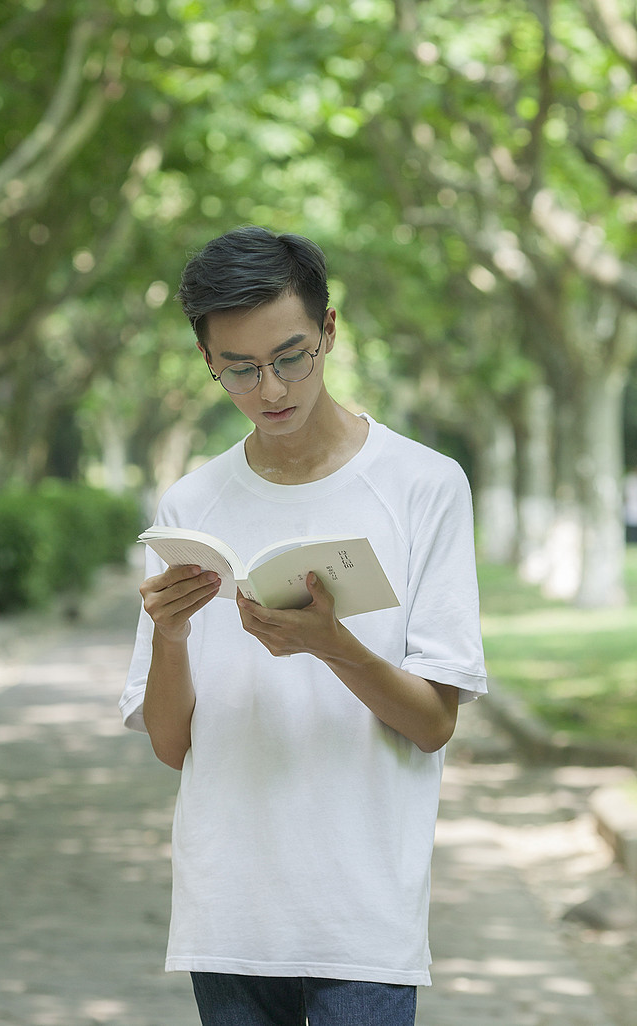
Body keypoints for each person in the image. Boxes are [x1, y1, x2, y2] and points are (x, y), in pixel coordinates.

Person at [119, 227, 487, 1026]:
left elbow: (431, 726)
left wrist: (333, 646)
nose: (271, 389)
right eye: (240, 369)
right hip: (228, 915)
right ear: (208, 360)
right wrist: (172, 640)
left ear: (328, 331)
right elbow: (170, 745)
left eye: (290, 357)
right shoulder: (192, 505)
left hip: (362, 919)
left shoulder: (424, 486)